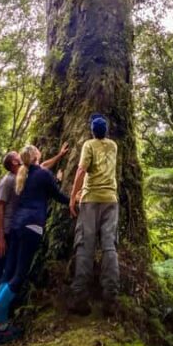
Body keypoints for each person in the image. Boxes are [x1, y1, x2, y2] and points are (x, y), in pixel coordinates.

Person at [0, 143, 70, 345]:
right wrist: (74, 200)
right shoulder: (37, 175)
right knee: (19, 276)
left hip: (16, 226)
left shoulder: (23, 174)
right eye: (37, 150)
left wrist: (60, 155)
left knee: (8, 273)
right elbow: (58, 195)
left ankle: (1, 323)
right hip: (32, 226)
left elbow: (41, 167)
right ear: (34, 156)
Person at [68, 114, 119, 317]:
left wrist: (73, 196)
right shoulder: (113, 146)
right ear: (106, 131)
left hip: (90, 200)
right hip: (111, 200)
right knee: (109, 246)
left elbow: (81, 171)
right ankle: (111, 298)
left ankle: (80, 296)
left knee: (85, 245)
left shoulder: (89, 144)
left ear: (92, 131)